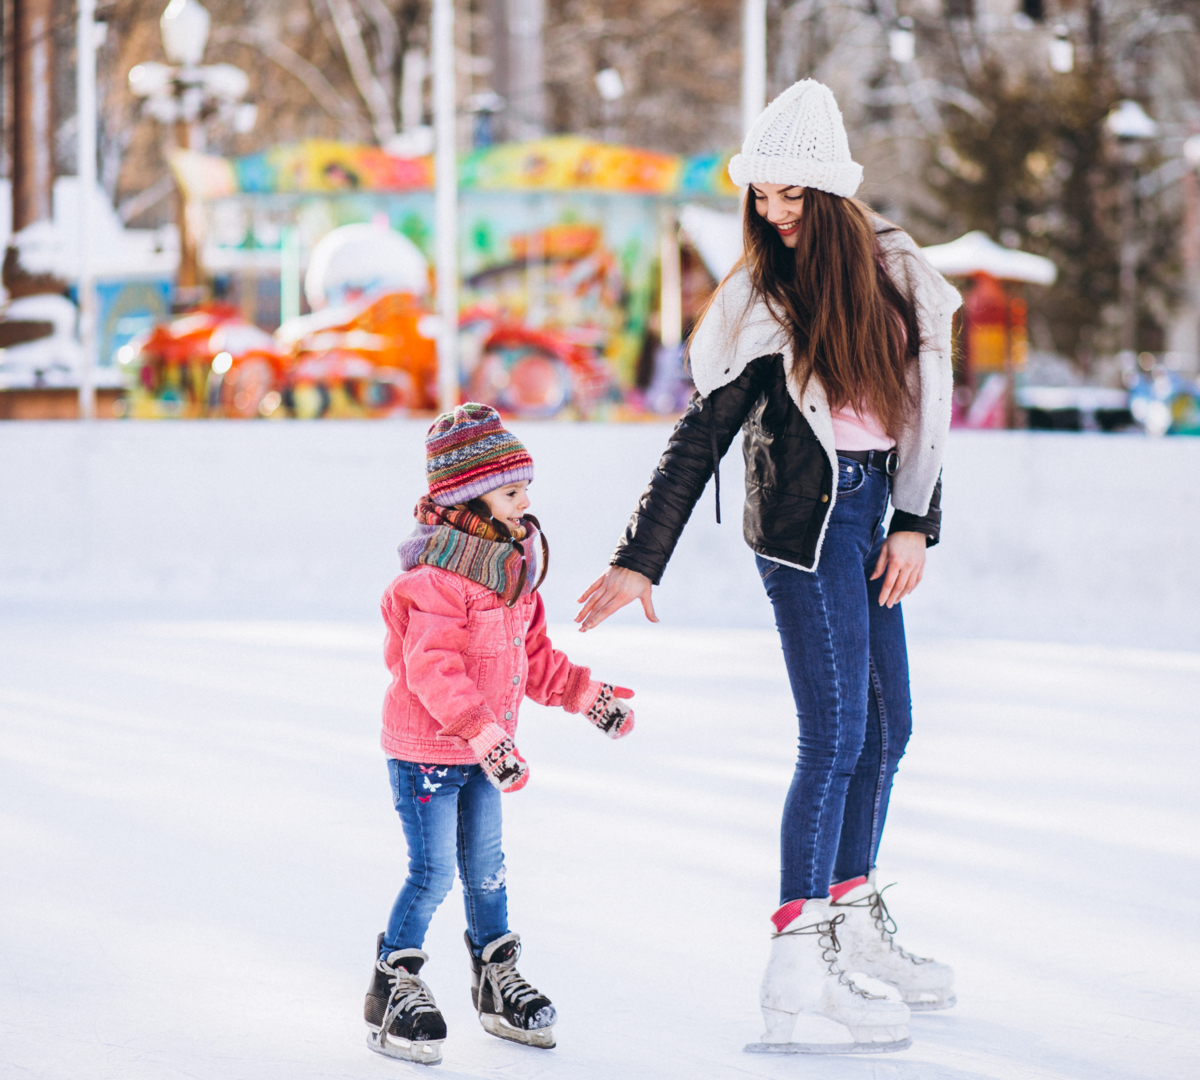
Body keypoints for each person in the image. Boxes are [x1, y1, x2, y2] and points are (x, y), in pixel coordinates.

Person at [575, 79, 962, 1055]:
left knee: (889, 726)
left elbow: (926, 419)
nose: (776, 214)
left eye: (794, 196)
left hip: (878, 512)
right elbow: (700, 434)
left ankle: (850, 914)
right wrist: (638, 558)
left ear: (831, 199)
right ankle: (799, 959)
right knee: (834, 733)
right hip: (804, 530)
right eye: (764, 196)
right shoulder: (759, 299)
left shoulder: (899, 279)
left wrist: (914, 523)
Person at [365, 403, 636, 1066]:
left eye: (525, 491)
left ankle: (494, 981)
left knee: (488, 872)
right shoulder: (432, 580)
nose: (525, 504)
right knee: (432, 874)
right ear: (469, 499)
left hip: (487, 753)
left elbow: (534, 661)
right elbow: (432, 669)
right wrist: (484, 734)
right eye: (512, 491)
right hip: (429, 754)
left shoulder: (513, 577)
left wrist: (585, 696)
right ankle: (394, 985)